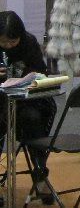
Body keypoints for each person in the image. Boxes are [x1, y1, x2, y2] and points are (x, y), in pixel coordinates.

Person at [0, 11, 56, 205]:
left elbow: (41, 72)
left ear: (20, 36)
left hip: (24, 101)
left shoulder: (29, 43)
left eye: (12, 41)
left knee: (33, 119)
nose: (8, 46)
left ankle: (40, 175)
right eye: (3, 42)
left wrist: (28, 76)